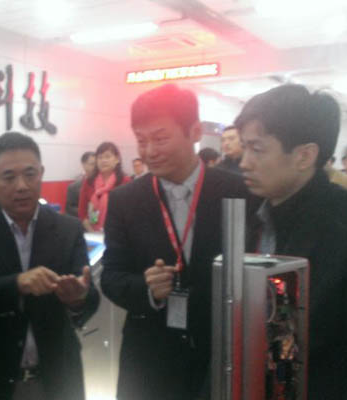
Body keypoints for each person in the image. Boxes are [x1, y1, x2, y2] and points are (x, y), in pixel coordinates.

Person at [100, 84, 250, 400]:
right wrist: (146, 288)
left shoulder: (238, 192)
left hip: (219, 351)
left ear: (194, 131)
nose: (149, 151)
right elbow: (111, 276)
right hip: (149, 357)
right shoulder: (125, 200)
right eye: (141, 140)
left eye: (160, 138)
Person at [237, 84, 347, 400]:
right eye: (243, 147)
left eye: (257, 149)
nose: (244, 162)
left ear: (304, 156)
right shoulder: (249, 215)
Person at [0, 132, 100, 400]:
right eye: (8, 177)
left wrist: (78, 298)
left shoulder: (68, 229)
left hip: (57, 378)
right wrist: (17, 284)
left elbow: (89, 297)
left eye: (30, 174)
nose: (21, 186)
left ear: (41, 173)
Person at [78, 142, 130, 232]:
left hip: (119, 232)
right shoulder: (89, 182)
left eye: (107, 156)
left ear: (117, 159)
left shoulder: (125, 182)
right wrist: (93, 232)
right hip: (94, 232)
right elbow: (82, 212)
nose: (103, 160)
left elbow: (130, 213)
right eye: (100, 157)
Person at [65, 151, 96, 217]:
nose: (95, 167)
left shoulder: (103, 185)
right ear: (84, 165)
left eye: (97, 164)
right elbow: (69, 209)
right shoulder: (73, 187)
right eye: (92, 164)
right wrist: (87, 211)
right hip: (82, 221)